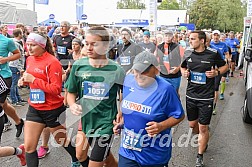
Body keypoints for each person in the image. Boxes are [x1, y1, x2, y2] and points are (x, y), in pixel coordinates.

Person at [18, 32, 79, 167]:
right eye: (28, 45)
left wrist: (34, 80)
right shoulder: (29, 59)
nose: (29, 48)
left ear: (42, 45)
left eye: (33, 45)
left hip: (52, 109)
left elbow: (56, 89)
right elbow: (32, 81)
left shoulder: (52, 62)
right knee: (29, 147)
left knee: (61, 140)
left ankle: (77, 159)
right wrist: (24, 82)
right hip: (34, 107)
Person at [66, 26, 125, 167]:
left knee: (96, 162)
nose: (89, 48)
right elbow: (71, 92)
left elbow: (125, 94)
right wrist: (73, 104)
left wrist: (122, 112)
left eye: (94, 44)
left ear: (105, 46)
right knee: (80, 155)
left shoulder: (116, 69)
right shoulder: (79, 66)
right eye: (86, 43)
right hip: (86, 121)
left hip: (106, 123)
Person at [113, 51, 184, 167]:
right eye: (136, 70)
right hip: (128, 152)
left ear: (156, 70)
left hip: (153, 155)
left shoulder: (166, 90)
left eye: (144, 71)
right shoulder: (128, 81)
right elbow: (128, 106)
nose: (139, 75)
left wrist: (161, 126)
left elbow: (179, 115)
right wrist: (121, 123)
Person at [180, 30, 228, 167]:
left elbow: (224, 66)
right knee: (192, 125)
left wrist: (217, 72)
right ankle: (203, 134)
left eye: (193, 39)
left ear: (201, 41)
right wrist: (185, 73)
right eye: (189, 39)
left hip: (206, 97)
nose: (190, 41)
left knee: (202, 128)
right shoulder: (188, 53)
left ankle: (199, 156)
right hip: (191, 95)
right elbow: (182, 67)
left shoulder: (212, 54)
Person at [0, 25, 24, 138]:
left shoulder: (6, 41)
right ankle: (18, 122)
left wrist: (6, 59)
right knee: (4, 105)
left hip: (3, 76)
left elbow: (18, 54)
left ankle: (5, 122)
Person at [157, 31, 183, 96]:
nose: (168, 38)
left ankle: (176, 106)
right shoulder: (159, 47)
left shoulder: (177, 46)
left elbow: (184, 59)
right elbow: (155, 58)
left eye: (169, 36)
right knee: (164, 94)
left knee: (175, 94)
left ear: (172, 37)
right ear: (163, 37)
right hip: (163, 75)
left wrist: (178, 68)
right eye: (166, 36)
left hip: (175, 76)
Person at [209, 30, 229, 115]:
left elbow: (227, 53)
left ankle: (213, 106)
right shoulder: (209, 44)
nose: (216, 37)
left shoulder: (223, 44)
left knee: (215, 87)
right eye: (214, 35)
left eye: (217, 35)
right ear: (212, 36)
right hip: (209, 68)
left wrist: (227, 59)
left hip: (219, 67)